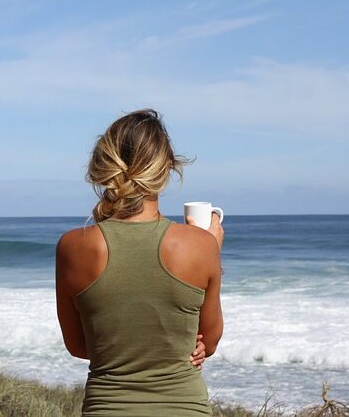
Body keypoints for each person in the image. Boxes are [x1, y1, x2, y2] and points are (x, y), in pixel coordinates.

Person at [55, 108, 224, 416]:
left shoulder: (72, 246)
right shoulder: (201, 245)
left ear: (104, 163)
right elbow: (208, 343)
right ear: (166, 169)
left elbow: (79, 347)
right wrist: (211, 248)